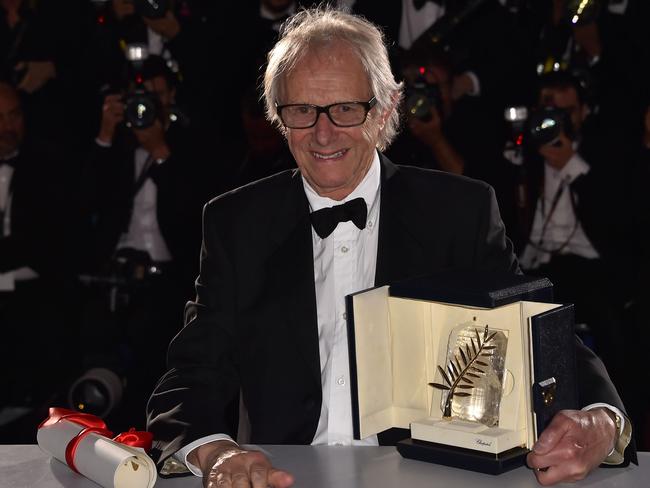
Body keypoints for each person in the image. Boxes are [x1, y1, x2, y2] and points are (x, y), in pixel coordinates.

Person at [146, 8, 634, 487]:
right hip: (283, 475)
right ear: (279, 117)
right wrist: (214, 452)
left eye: (345, 109)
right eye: (302, 110)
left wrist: (601, 420)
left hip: (425, 476)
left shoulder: (457, 212)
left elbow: (538, 332)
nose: (323, 132)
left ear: (384, 112)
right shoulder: (238, 221)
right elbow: (194, 372)